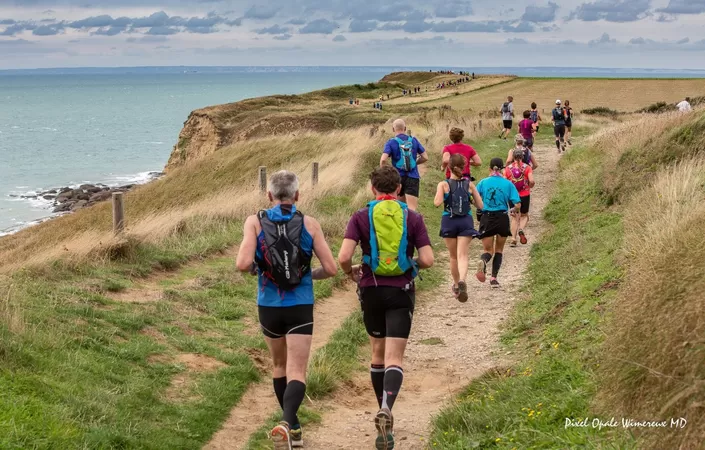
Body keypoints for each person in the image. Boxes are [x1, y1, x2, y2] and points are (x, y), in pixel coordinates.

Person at [235, 170, 338, 450]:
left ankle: (292, 428)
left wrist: (261, 270)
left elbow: (242, 264)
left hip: (268, 305)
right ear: (297, 195)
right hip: (300, 304)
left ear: (269, 195)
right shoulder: (310, 224)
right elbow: (331, 269)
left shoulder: (254, 222)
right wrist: (308, 275)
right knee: (298, 371)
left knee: (279, 366)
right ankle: (287, 421)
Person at [339, 165, 434, 450]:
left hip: (371, 289)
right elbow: (428, 259)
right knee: (395, 358)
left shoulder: (360, 215)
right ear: (399, 190)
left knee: (377, 354)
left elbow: (344, 256)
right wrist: (411, 264)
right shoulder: (412, 216)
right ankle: (387, 408)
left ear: (372, 189)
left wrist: (351, 271)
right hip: (402, 290)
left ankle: (381, 408)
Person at [434, 154, 483, 302]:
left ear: (449, 167)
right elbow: (480, 205)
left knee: (453, 256)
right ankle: (462, 280)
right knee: (463, 255)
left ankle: (456, 284)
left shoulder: (443, 184)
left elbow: (437, 203)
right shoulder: (469, 184)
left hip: (448, 220)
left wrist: (443, 195)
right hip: (465, 220)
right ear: (464, 167)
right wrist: (470, 199)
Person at [475, 158, 521, 289]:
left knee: (488, 250)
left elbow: (474, 198)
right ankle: (494, 278)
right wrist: (512, 210)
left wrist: (479, 208)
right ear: (502, 169)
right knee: (499, 250)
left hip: (487, 217)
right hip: (502, 218)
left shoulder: (483, 183)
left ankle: (483, 261)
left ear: (490, 168)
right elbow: (517, 204)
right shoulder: (508, 184)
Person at [381, 118, 428, 211]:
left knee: (398, 207)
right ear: (405, 128)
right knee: (412, 208)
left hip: (397, 178)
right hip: (413, 177)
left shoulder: (391, 142)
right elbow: (425, 157)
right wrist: (414, 163)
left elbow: (383, 160)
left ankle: (400, 225)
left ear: (393, 129)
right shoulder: (414, 140)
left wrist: (387, 172)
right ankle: (411, 224)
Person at [504, 149, 535, 247]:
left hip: (512, 196)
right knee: (524, 215)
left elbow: (505, 182)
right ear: (522, 157)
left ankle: (513, 238)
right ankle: (521, 229)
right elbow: (532, 181)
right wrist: (529, 186)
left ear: (513, 157)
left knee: (514, 216)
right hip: (524, 194)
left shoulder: (508, 168)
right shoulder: (527, 167)